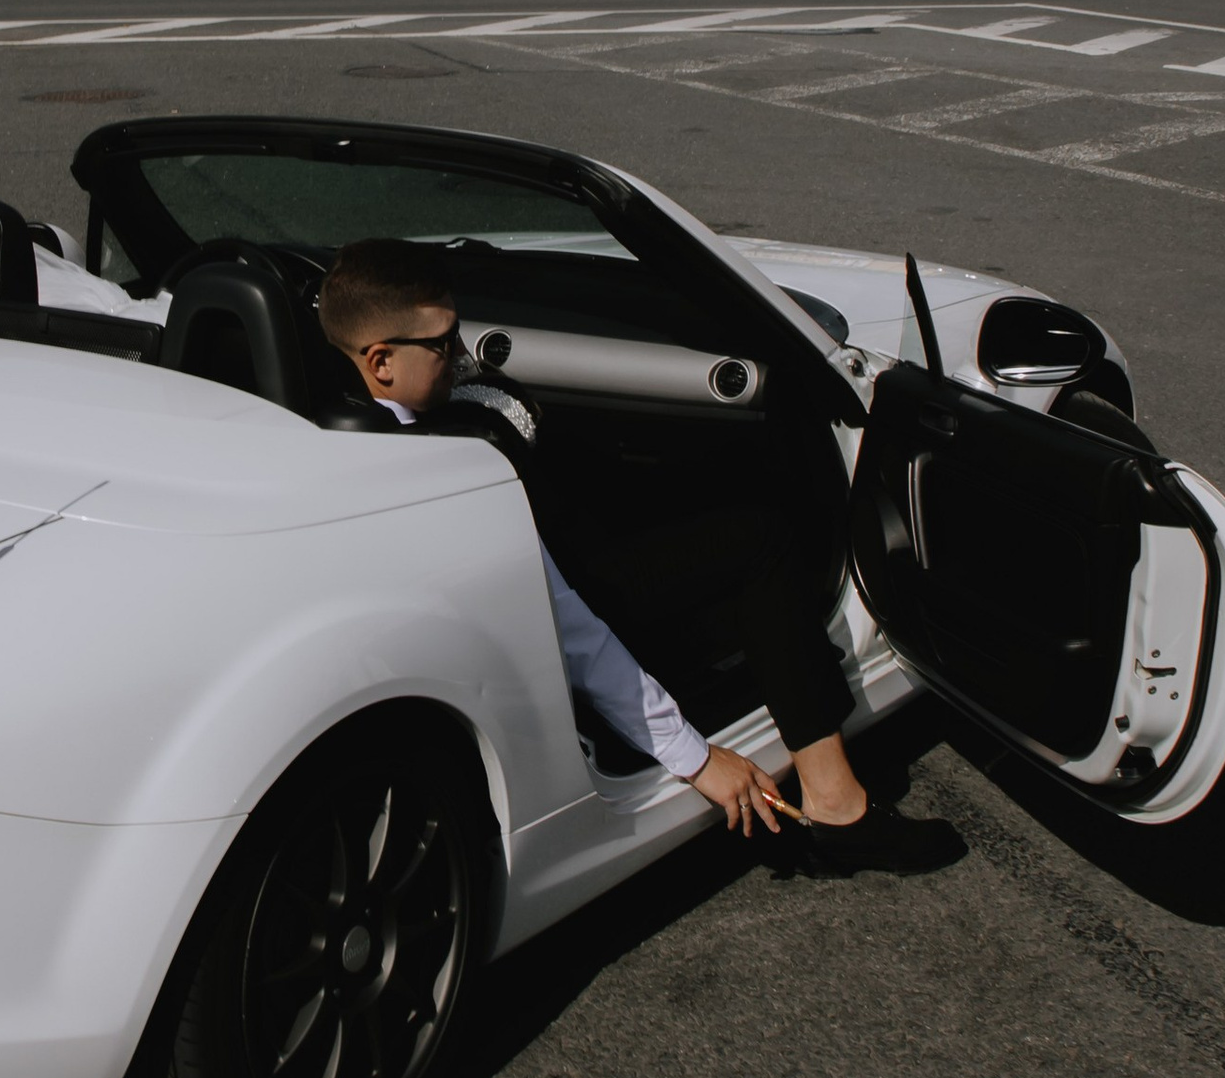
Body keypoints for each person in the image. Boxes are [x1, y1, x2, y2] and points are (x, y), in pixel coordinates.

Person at [315, 236, 930, 865]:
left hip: (566, 548)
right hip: (575, 593)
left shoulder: (321, 406)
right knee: (761, 541)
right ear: (382, 360)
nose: (460, 354)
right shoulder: (444, 470)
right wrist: (698, 758)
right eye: (443, 343)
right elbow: (569, 625)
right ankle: (835, 801)